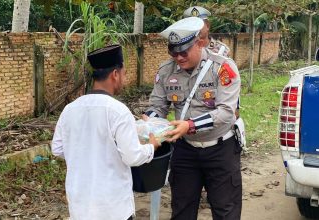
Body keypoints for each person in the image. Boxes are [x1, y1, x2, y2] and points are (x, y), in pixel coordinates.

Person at [145, 17, 242, 220]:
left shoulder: (223, 68)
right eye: (173, 52)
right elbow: (158, 106)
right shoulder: (165, 71)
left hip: (220, 149)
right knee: (182, 209)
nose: (178, 57)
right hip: (185, 150)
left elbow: (226, 113)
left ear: (199, 43)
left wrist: (189, 125)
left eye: (183, 51)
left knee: (226, 211)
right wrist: (149, 122)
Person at [52, 44, 160, 220]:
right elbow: (132, 156)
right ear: (115, 74)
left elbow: (57, 148)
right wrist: (151, 147)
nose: (124, 79)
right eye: (124, 74)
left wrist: (83, 154)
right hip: (112, 208)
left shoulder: (70, 110)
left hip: (80, 205)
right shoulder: (118, 111)